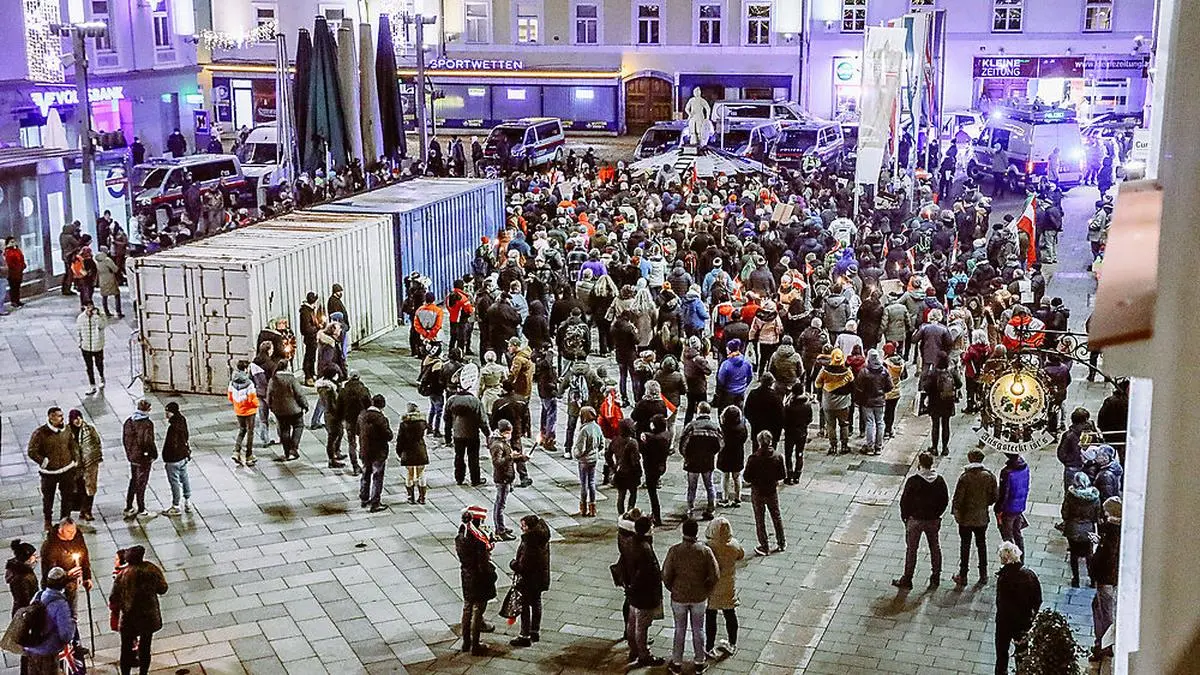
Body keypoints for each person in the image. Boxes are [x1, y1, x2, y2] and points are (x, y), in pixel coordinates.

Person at [662, 519, 720, 674]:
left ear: (683, 532)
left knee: (679, 629)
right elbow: (715, 574)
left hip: (679, 597)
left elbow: (666, 575)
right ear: (696, 532)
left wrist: (673, 588)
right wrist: (706, 589)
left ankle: (676, 663)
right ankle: (699, 661)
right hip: (699, 597)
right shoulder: (705, 551)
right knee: (698, 629)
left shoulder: (674, 551)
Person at [893, 451, 948, 589]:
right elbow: (945, 500)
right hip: (933, 520)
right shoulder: (939, 480)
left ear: (920, 464)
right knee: (935, 547)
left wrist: (906, 517)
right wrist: (937, 514)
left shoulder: (913, 481)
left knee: (912, 549)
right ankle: (936, 576)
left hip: (915, 520)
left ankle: (907, 578)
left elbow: (904, 501)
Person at [110, 545, 168, 675]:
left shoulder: (123, 574)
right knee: (145, 648)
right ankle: (143, 673)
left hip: (129, 617)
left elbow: (113, 597)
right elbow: (163, 588)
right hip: (148, 615)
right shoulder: (151, 569)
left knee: (126, 649)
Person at [620, 515, 666, 667]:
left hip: (633, 590)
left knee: (632, 622)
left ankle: (633, 649)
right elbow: (648, 574)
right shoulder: (645, 549)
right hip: (644, 594)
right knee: (642, 626)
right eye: (651, 527)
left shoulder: (629, 542)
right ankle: (644, 655)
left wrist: (629, 587)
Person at [994, 541, 1042, 675]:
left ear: (1004, 559)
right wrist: (1032, 616)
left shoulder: (1004, 578)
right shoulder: (1029, 575)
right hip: (1023, 622)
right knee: (1022, 654)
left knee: (1002, 654)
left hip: (1004, 623)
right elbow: (1038, 599)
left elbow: (1002, 603)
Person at [951, 449, 997, 587]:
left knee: (965, 545)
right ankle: (983, 574)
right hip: (982, 517)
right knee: (981, 545)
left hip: (966, 518)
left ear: (970, 459)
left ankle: (963, 575)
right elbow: (994, 497)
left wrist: (957, 512)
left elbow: (958, 499)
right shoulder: (989, 476)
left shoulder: (965, 477)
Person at [27, 407, 79, 530]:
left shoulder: (66, 430)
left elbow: (72, 444)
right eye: (59, 416)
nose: (62, 418)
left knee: (67, 497)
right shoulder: (40, 433)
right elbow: (32, 451)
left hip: (67, 469)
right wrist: (43, 461)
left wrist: (75, 458)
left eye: (62, 415)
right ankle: (48, 520)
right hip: (49, 472)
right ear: (51, 417)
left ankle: (65, 519)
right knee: (48, 498)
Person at [457, 505, 497, 655]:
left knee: (467, 608)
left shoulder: (461, 535)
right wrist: (492, 574)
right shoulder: (479, 541)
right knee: (478, 611)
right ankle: (475, 645)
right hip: (478, 578)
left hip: (466, 576)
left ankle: (466, 643)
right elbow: (483, 565)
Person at [22, 566, 75, 675]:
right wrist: (73, 622)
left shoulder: (39, 595)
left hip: (32, 648)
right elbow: (66, 635)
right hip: (48, 651)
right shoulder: (60, 604)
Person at [508, 514, 551, 647]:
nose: (521, 528)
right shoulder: (542, 537)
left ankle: (524, 635)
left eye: (523, 525)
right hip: (540, 577)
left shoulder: (530, 542)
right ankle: (535, 631)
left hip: (528, 580)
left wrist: (513, 564)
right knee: (537, 603)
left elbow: (524, 566)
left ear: (529, 527)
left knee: (525, 606)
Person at [704, 517, 744, 658]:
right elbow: (741, 555)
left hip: (712, 587)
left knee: (711, 616)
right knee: (730, 614)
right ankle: (732, 643)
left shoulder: (708, 546)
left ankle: (709, 646)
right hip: (728, 585)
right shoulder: (733, 545)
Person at [743, 430, 786, 556]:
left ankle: (764, 545)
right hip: (771, 490)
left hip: (758, 491)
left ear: (758, 442)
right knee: (776, 516)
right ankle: (781, 542)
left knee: (760, 518)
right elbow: (782, 475)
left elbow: (747, 477)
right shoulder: (778, 457)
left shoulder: (753, 458)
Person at [1089, 497, 1121, 662]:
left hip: (1106, 579)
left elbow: (1107, 557)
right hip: (1109, 578)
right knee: (1097, 606)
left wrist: (1096, 553)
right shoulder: (1115, 530)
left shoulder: (1112, 531)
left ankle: (1104, 645)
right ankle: (1101, 642)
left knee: (1105, 612)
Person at [40, 518, 91, 618]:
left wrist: (87, 577)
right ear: (60, 530)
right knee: (60, 613)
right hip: (57, 586)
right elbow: (50, 572)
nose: (72, 534)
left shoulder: (77, 536)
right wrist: (67, 574)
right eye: (69, 531)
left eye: (74, 530)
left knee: (72, 610)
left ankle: (72, 622)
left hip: (72, 583)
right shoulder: (50, 546)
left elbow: (84, 555)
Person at [680, 401, 722, 521]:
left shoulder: (691, 426)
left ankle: (690, 509)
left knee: (692, 487)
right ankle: (710, 508)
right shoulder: (715, 427)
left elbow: (683, 444)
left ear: (698, 411)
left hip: (692, 461)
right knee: (709, 485)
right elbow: (720, 444)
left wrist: (686, 456)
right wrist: (712, 453)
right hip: (707, 460)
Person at [446, 373, 491, 486]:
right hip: (472, 434)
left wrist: (448, 436)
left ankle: (459, 477)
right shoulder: (474, 401)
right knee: (473, 457)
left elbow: (446, 418)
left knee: (459, 456)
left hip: (457, 434)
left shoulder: (452, 400)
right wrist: (487, 433)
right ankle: (475, 479)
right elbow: (482, 420)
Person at [1061, 472, 1102, 588]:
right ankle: (1092, 579)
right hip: (1088, 529)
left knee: (1074, 555)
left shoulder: (1070, 496)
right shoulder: (1094, 498)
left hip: (1073, 529)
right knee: (1089, 554)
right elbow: (1097, 516)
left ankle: (1076, 580)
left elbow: (1065, 513)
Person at [815, 348, 855, 455]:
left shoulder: (825, 371)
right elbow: (852, 383)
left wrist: (824, 388)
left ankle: (833, 446)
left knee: (830, 425)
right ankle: (844, 445)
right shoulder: (847, 371)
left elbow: (817, 383)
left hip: (828, 403)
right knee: (844, 424)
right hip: (843, 403)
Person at [121, 400, 157, 518]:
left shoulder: (129, 421)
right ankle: (141, 509)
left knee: (133, 480)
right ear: (148, 409)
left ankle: (129, 506)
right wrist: (153, 455)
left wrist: (130, 454)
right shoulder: (147, 423)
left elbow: (125, 440)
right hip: (143, 458)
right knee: (142, 483)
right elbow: (148, 441)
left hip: (133, 457)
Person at [358, 394, 394, 512]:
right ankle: (375, 502)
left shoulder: (362, 415)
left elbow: (357, 431)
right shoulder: (381, 418)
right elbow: (388, 435)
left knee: (365, 473)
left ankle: (364, 498)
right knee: (377, 477)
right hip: (378, 451)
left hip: (365, 450)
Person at [921, 353, 960, 456]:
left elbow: (926, 387)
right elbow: (959, 384)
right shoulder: (951, 372)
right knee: (946, 425)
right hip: (948, 402)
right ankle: (945, 448)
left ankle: (934, 447)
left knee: (935, 425)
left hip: (934, 403)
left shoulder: (933, 373)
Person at [855, 349, 893, 455]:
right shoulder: (884, 371)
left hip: (867, 401)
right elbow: (890, 386)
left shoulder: (864, 372)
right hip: (880, 401)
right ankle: (879, 446)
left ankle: (870, 446)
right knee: (880, 423)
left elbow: (859, 387)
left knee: (870, 423)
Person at [68, 409, 102, 522]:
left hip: (90, 464)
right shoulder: (67, 432)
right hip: (75, 466)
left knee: (90, 488)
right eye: (75, 418)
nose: (78, 421)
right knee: (79, 488)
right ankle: (80, 510)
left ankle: (87, 511)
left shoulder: (90, 429)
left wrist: (94, 456)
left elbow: (97, 442)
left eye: (79, 417)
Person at [489, 419, 521, 539]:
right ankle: (500, 530)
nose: (510, 435)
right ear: (503, 432)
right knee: (500, 505)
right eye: (508, 432)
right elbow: (497, 463)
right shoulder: (497, 445)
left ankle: (501, 526)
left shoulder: (503, 442)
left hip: (507, 476)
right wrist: (509, 457)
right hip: (502, 478)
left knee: (501, 504)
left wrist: (520, 457)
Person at [995, 451, 1031, 557]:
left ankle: (1011, 563)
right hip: (1019, 506)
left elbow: (1004, 493)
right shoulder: (1025, 467)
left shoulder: (1007, 472)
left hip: (1008, 508)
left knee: (1007, 538)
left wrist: (998, 509)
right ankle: (1021, 559)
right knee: (1017, 534)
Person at [267, 366, 308, 460]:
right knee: (299, 426)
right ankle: (293, 448)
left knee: (284, 430)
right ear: (287, 368)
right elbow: (299, 394)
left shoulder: (273, 379)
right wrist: (305, 405)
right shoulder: (291, 379)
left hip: (279, 411)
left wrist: (271, 407)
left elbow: (269, 395)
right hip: (294, 410)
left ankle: (286, 452)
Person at [160, 401, 192, 516]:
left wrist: (166, 457)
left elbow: (171, 444)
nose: (166, 414)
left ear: (171, 412)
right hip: (183, 456)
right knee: (184, 478)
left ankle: (176, 506)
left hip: (173, 459)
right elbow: (186, 436)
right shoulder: (182, 420)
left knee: (174, 482)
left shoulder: (172, 428)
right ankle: (188, 501)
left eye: (167, 412)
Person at [573, 406, 604, 517]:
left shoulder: (584, 430)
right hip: (594, 459)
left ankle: (584, 508)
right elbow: (602, 444)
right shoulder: (597, 427)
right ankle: (593, 508)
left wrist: (576, 454)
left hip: (584, 461)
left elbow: (580, 449)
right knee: (592, 483)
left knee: (583, 484)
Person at [641, 414, 671, 526]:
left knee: (652, 492)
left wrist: (644, 440)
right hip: (660, 466)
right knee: (652, 491)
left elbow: (645, 450)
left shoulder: (655, 440)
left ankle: (656, 516)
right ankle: (655, 514)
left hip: (652, 467)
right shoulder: (665, 435)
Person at [227, 360, 259, 466]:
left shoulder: (232, 382)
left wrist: (238, 404)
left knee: (242, 430)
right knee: (250, 432)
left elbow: (230, 397)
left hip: (238, 410)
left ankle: (236, 451)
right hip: (249, 411)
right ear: (246, 369)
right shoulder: (249, 383)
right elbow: (252, 399)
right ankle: (249, 456)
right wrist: (256, 404)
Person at [396, 402, 429, 504]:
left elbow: (400, 439)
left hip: (408, 451)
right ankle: (422, 497)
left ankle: (411, 497)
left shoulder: (404, 424)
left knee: (409, 474)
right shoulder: (422, 423)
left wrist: (399, 452)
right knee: (421, 473)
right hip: (420, 451)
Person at [717, 405, 748, 507]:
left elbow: (719, 440)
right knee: (737, 476)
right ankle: (737, 498)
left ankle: (725, 498)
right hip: (737, 453)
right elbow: (744, 438)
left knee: (725, 476)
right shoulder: (742, 427)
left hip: (725, 454)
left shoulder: (723, 428)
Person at [611, 419, 642, 515]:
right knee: (633, 493)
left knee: (621, 495)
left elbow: (608, 455)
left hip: (620, 472)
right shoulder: (633, 442)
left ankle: (621, 515)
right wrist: (639, 472)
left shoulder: (615, 440)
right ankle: (630, 512)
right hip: (631, 473)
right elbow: (635, 460)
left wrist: (613, 466)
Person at [76, 303, 106, 394]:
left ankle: (101, 377)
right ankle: (92, 385)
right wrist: (80, 343)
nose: (89, 309)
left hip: (97, 345)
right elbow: (78, 330)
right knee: (89, 367)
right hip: (86, 346)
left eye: (90, 306)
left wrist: (97, 316)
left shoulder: (100, 315)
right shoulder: (81, 317)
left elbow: (102, 326)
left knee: (99, 363)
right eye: (87, 307)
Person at [299, 291, 322, 385]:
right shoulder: (306, 312)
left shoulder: (309, 310)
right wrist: (317, 327)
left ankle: (311, 374)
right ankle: (308, 376)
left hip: (312, 337)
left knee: (312, 357)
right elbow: (306, 328)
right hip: (310, 338)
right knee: (309, 357)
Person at [4, 237, 26, 307]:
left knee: (17, 287)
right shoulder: (8, 251)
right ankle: (13, 301)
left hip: (19, 272)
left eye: (14, 241)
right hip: (12, 272)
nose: (14, 243)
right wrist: (16, 268)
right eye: (12, 242)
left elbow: (21, 258)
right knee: (13, 287)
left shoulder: (17, 249)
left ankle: (17, 300)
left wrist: (23, 266)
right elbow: (9, 262)